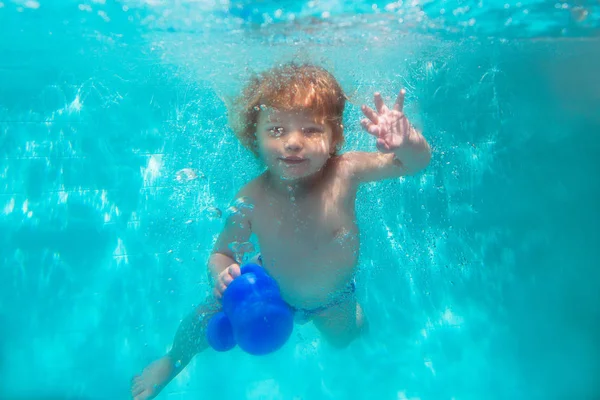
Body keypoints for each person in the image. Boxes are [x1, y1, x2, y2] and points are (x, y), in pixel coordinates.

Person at [131, 63, 431, 400]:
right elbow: (222, 252)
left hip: (334, 298)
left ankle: (359, 322)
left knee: (345, 338)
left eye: (311, 130)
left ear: (335, 136)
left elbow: (414, 164)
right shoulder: (252, 197)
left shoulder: (346, 171)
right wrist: (223, 274)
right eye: (276, 130)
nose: (292, 143)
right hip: (269, 289)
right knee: (204, 317)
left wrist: (407, 142)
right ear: (254, 137)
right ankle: (173, 360)